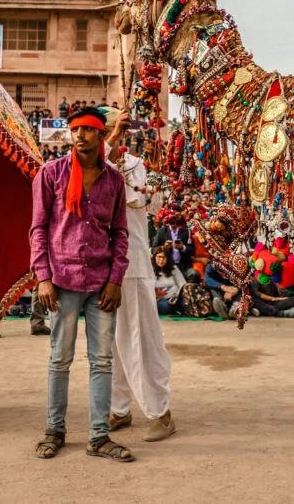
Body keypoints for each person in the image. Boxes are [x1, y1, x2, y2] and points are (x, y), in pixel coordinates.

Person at [30, 106, 132, 462]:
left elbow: (120, 233)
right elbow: (38, 229)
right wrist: (43, 277)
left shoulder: (114, 181)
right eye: (76, 129)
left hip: (102, 282)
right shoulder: (50, 174)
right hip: (63, 280)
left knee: (101, 361)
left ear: (101, 135)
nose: (80, 135)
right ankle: (54, 431)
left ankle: (99, 437)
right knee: (60, 359)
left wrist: (116, 279)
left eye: (88, 130)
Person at [104, 108, 176, 442]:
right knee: (109, 345)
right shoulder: (87, 165)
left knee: (139, 339)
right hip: (100, 267)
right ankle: (119, 408)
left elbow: (139, 200)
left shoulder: (133, 165)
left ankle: (160, 412)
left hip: (131, 264)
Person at [151, 247, 185, 315]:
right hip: (161, 299)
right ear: (155, 258)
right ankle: (175, 310)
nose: (161, 260)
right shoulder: (150, 270)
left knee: (185, 303)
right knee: (165, 307)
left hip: (176, 297)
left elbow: (182, 283)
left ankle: (177, 309)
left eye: (164, 257)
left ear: (167, 259)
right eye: (159, 257)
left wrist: (177, 294)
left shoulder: (173, 268)